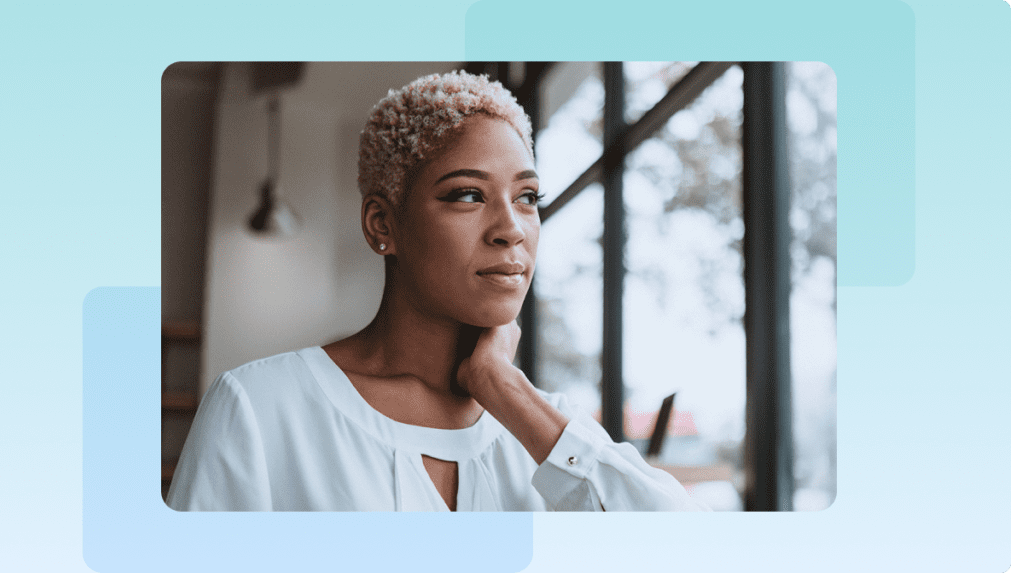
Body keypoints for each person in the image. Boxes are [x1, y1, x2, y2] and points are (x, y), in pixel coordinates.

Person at [167, 70, 709, 512]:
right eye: (468, 194)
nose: (511, 228)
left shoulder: (540, 426)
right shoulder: (260, 407)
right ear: (383, 224)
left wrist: (502, 386)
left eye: (527, 197)